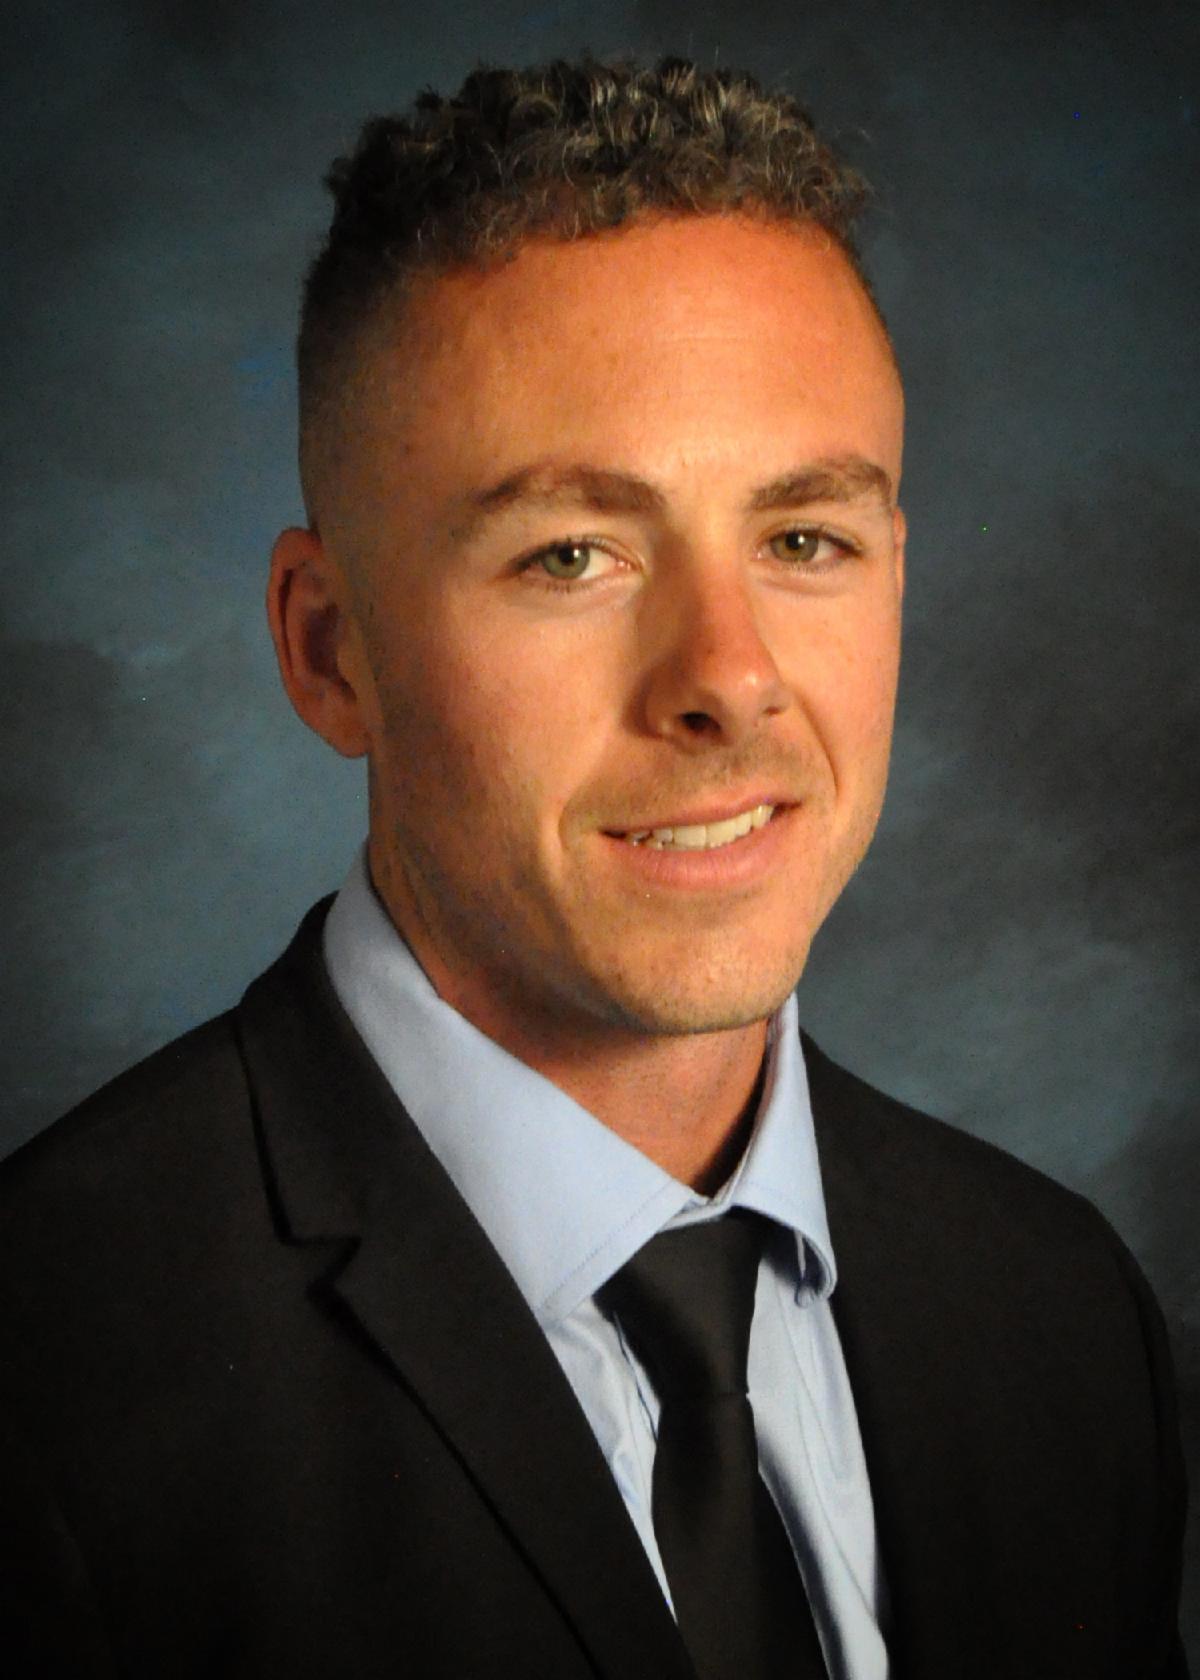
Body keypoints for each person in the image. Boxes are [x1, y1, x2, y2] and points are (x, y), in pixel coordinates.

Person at [0, 55, 1187, 1680]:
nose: (730, 678)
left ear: (897, 576)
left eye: (805, 539)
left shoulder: (1061, 1315)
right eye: (573, 554)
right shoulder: (47, 1383)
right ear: (331, 652)